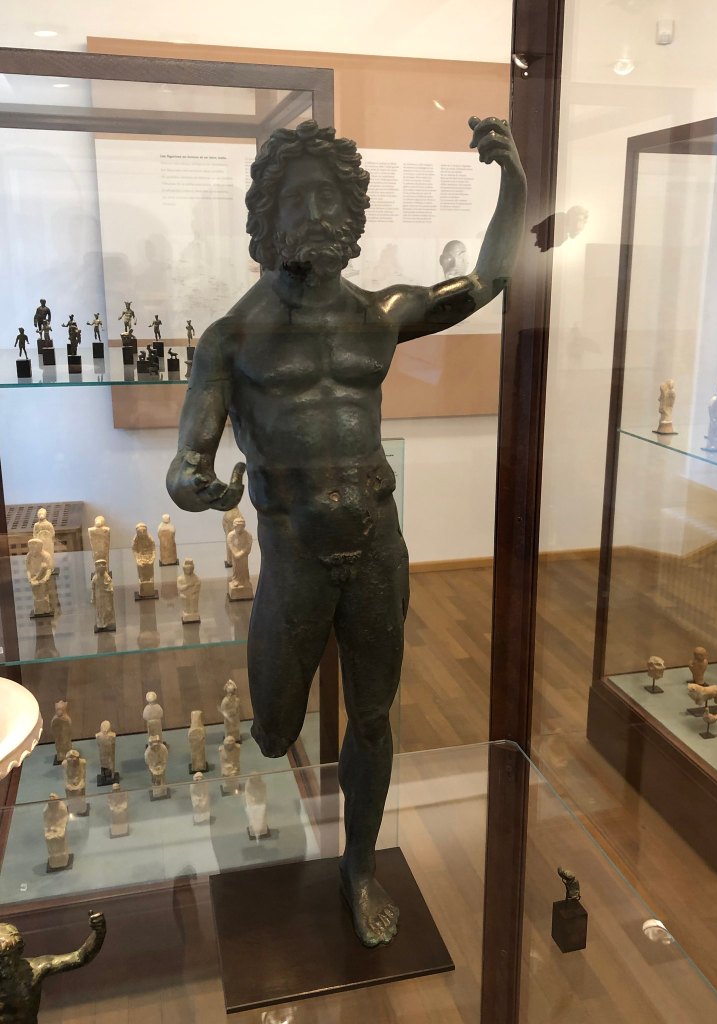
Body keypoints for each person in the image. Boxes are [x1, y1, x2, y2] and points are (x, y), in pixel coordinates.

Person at [167, 116, 526, 947]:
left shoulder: (379, 313)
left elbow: (488, 278)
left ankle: (358, 866)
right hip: (293, 550)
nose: (320, 213)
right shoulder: (231, 338)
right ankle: (273, 812)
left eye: (333, 198)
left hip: (375, 544)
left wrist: (515, 180)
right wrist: (195, 485)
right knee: (272, 733)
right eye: (301, 198)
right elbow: (189, 455)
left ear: (354, 214)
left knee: (372, 716)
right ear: (268, 217)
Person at [0, 911, 105, 1023]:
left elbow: (80, 957)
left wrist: (99, 933)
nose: (6, 963)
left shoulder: (35, 970)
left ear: (18, 952)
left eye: (9, 956)